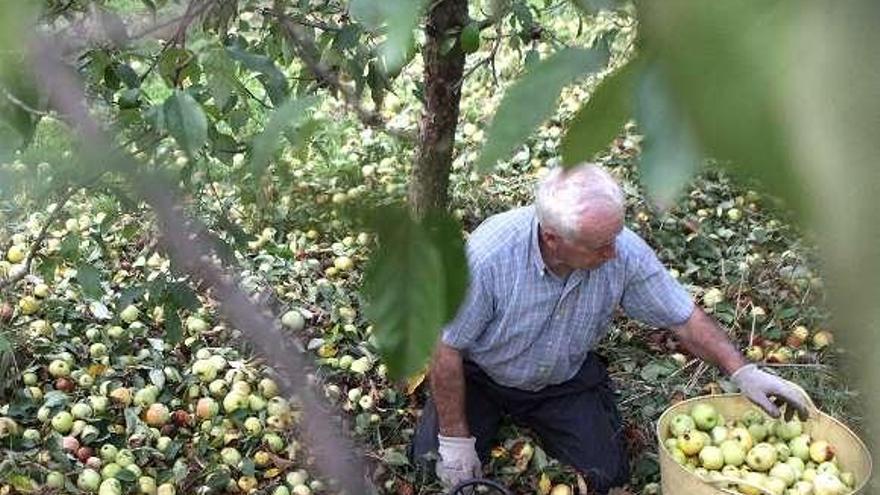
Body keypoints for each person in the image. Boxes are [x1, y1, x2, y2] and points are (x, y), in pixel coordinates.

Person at [409, 164, 809, 494]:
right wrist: (456, 440)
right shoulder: (489, 256)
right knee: (430, 464)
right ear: (553, 239)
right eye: (600, 245)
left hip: (559, 380)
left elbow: (683, 317)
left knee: (607, 473)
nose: (614, 252)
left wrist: (742, 370)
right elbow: (444, 347)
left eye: (616, 236)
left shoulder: (620, 249)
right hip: (483, 373)